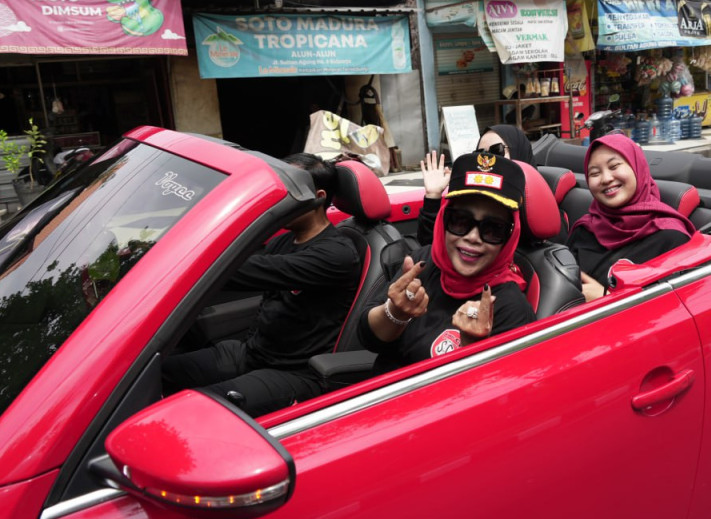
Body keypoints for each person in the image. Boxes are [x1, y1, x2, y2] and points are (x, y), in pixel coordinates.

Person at [162, 153, 361, 416]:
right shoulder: (284, 241)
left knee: (195, 408)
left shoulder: (335, 255)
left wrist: (175, 254)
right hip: (252, 353)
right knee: (156, 375)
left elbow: (241, 271)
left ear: (319, 197)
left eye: (287, 189)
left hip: (295, 372)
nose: (278, 196)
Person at [358, 151, 535, 368]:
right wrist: (395, 313)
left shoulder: (511, 309)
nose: (472, 237)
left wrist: (472, 348)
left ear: (510, 236)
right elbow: (368, 338)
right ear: (443, 219)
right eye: (460, 221)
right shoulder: (420, 263)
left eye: (493, 229)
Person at [567, 133, 696, 301]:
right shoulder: (584, 229)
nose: (606, 178)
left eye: (614, 166)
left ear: (637, 167)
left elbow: (677, 307)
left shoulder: (670, 236)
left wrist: (605, 297)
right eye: (595, 173)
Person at [418, 124, 536, 244]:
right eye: (480, 153)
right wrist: (432, 196)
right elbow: (435, 248)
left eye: (496, 151)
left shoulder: (538, 208)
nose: (487, 161)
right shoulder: (470, 196)